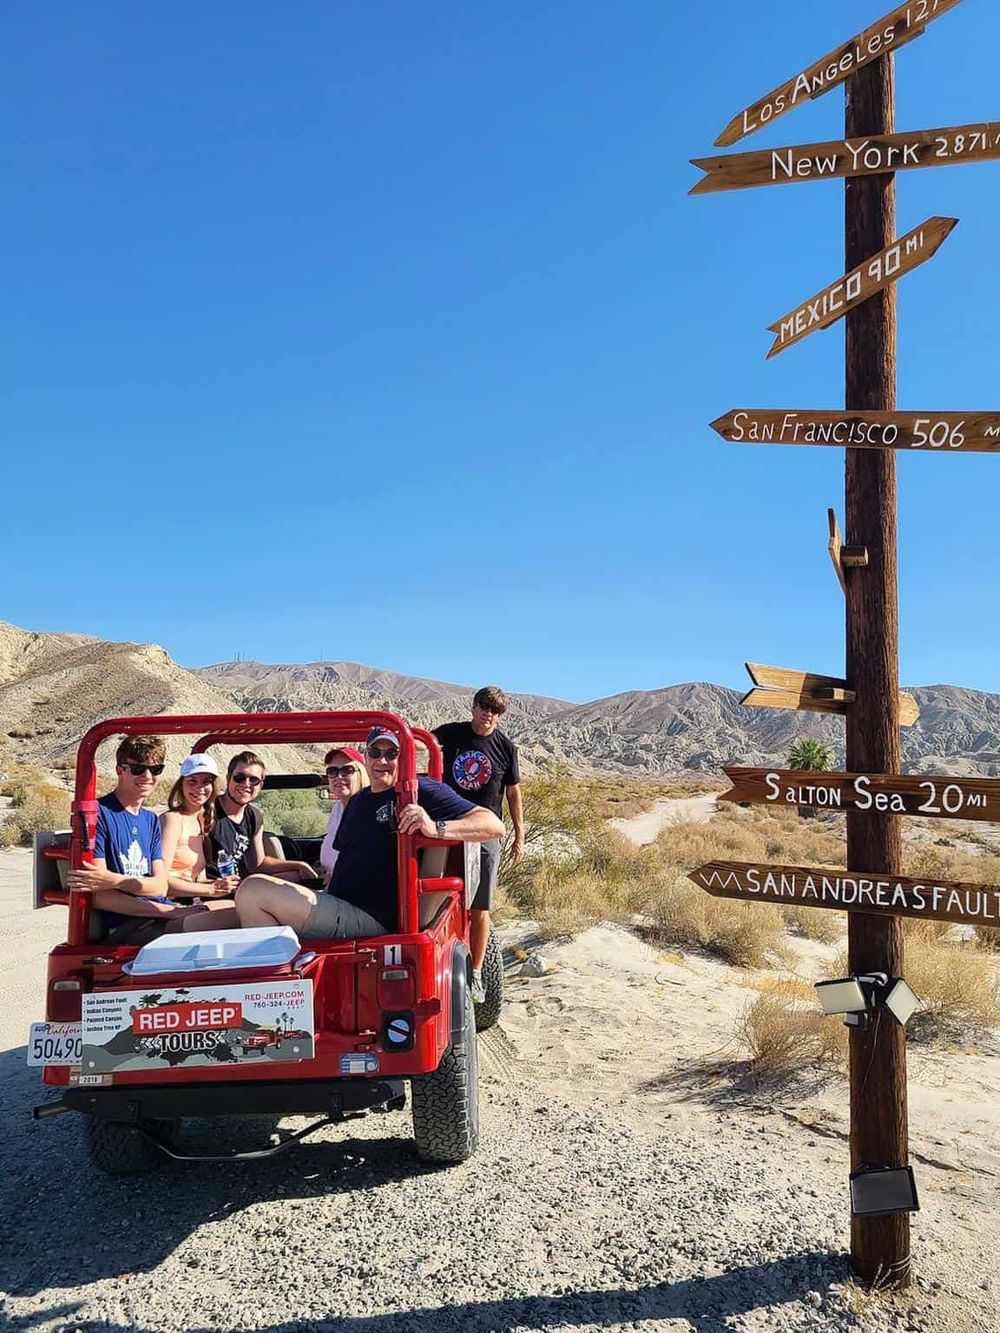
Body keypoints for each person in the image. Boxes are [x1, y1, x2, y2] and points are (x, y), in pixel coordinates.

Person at [235, 725, 503, 938]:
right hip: (339, 902)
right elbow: (343, 863)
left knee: (253, 891)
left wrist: (435, 827)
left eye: (391, 753)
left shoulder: (418, 791)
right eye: (375, 753)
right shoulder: (360, 801)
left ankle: (281, 984)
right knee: (214, 918)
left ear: (405, 757)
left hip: (372, 915)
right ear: (366, 757)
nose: (382, 760)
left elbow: (492, 825)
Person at [65, 735, 238, 945]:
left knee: (243, 907)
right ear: (120, 770)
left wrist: (115, 880)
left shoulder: (150, 820)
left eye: (155, 770)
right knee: (239, 917)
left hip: (158, 912)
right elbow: (102, 896)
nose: (148, 777)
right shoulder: (99, 815)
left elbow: (159, 886)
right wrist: (167, 911)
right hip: (129, 925)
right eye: (138, 769)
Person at [433, 685, 524, 1002]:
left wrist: (519, 835)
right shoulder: (449, 735)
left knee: (480, 906)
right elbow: (420, 748)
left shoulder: (505, 748)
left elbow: (513, 793)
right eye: (484, 707)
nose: (489, 715)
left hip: (485, 834)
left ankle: (474, 973)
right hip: (448, 829)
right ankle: (437, 961)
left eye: (495, 711)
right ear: (473, 707)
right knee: (438, 895)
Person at [210, 750, 320, 894]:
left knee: (296, 877)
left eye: (253, 780)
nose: (246, 784)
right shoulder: (209, 812)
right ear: (228, 778)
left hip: (241, 886)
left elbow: (258, 864)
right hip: (214, 887)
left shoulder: (253, 816)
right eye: (239, 778)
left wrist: (300, 865)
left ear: (261, 785)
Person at [159, 754, 236, 909]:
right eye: (192, 781)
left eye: (206, 782)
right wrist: (211, 889)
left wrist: (224, 885)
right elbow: (160, 880)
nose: (199, 788)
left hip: (192, 900)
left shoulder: (201, 821)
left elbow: (198, 879)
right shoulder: (172, 820)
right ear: (181, 785)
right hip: (169, 904)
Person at [318, 746, 368, 886]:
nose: (339, 777)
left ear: (361, 773)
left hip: (354, 897)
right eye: (332, 772)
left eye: (347, 771)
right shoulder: (338, 808)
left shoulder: (367, 810)